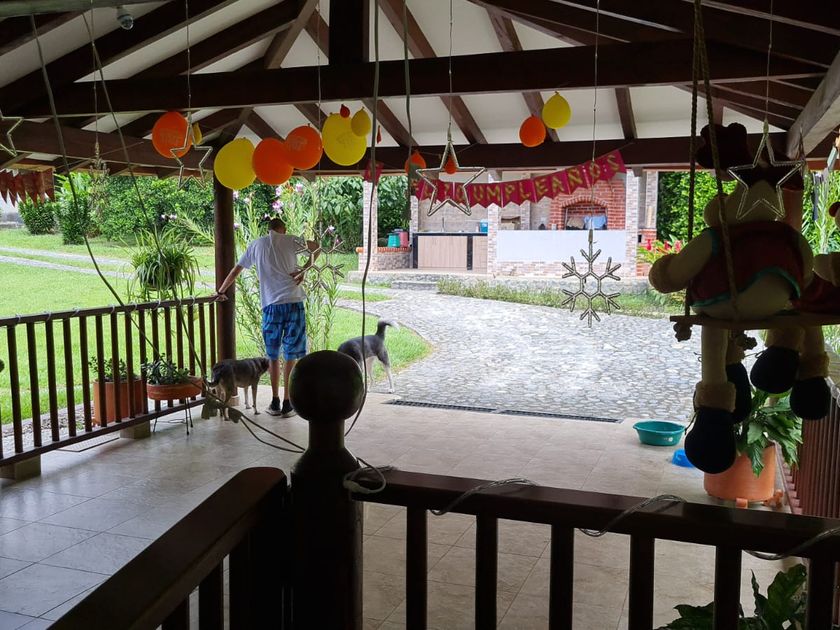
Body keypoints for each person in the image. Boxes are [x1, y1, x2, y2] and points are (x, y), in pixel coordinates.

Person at [214, 217, 319, 417]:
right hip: (294, 302)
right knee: (290, 355)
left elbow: (236, 270)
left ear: (268, 230)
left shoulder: (256, 245)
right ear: (283, 229)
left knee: (272, 356)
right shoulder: (291, 240)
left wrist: (221, 290)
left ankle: (275, 401)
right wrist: (304, 269)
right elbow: (317, 248)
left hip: (271, 306)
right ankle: (288, 403)